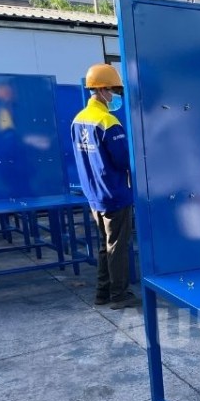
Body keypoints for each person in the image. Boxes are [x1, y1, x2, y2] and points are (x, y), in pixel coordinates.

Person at [71, 63, 138, 309]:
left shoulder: (78, 120)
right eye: (114, 90)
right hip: (114, 193)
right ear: (101, 90)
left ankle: (103, 292)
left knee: (105, 244)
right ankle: (119, 294)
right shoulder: (108, 121)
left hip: (94, 195)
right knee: (118, 246)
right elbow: (123, 160)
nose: (116, 95)